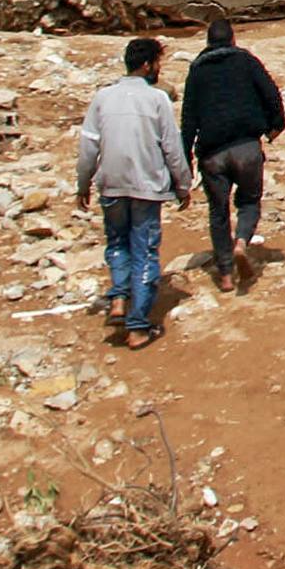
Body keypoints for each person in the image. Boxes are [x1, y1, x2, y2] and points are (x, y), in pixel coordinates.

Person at [75, 35, 191, 347]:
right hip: (146, 187)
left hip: (111, 183)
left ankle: (118, 298)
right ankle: (138, 325)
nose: (158, 70)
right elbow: (172, 148)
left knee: (117, 242)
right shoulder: (157, 100)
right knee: (145, 250)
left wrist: (82, 184)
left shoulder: (103, 97)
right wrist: (183, 185)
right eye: (157, 63)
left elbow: (88, 146)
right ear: (147, 64)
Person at [180, 18, 285, 290]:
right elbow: (271, 94)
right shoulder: (247, 61)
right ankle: (241, 242)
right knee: (249, 202)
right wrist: (276, 125)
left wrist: (185, 160)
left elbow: (188, 118)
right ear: (233, 39)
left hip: (212, 154)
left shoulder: (197, 70)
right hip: (246, 147)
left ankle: (226, 275)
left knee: (218, 212)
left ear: (207, 42)